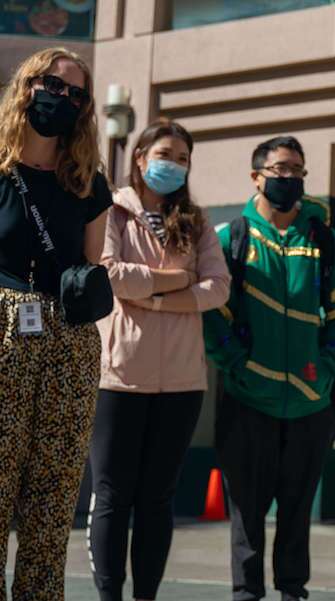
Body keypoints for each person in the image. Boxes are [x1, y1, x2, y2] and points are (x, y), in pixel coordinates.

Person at [203, 135, 335, 601]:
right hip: (248, 404)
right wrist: (239, 368)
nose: (289, 178)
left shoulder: (326, 242)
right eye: (279, 169)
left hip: (311, 407)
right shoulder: (232, 239)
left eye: (297, 170)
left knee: (296, 518)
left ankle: (294, 593)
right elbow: (213, 318)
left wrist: (328, 369)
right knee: (247, 521)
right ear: (256, 177)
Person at [89, 118, 230, 601]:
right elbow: (107, 275)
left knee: (157, 499)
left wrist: (153, 297)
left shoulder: (197, 220)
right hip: (120, 377)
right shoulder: (111, 211)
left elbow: (218, 287)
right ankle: (110, 595)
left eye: (184, 158)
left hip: (182, 383)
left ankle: (145, 596)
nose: (174, 164)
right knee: (112, 497)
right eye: (166, 154)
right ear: (141, 157)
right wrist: (175, 279)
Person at [0, 47, 111, 598]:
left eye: (76, 93)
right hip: (3, 328)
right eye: (53, 85)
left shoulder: (88, 180)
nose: (63, 98)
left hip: (68, 340)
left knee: (53, 498)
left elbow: (90, 267)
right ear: (27, 85)